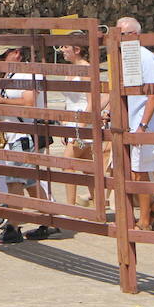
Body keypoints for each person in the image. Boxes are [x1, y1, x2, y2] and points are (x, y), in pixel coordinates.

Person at [114, 16, 154, 230]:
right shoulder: (125, 58)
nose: (118, 38)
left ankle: (145, 220)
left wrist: (143, 125)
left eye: (121, 34)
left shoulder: (145, 57)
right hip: (132, 121)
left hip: (144, 123)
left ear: (134, 35)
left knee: (139, 172)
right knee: (131, 171)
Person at [0, 45, 48, 244]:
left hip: (25, 135)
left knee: (15, 181)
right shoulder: (9, 74)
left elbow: (30, 102)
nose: (0, 60)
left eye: (3, 55)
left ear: (16, 53)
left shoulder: (28, 72)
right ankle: (50, 220)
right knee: (30, 183)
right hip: (13, 135)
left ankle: (13, 227)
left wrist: (1, 101)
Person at [58, 40, 99, 208]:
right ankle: (98, 206)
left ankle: (71, 206)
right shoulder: (71, 68)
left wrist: (79, 130)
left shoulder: (86, 68)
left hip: (82, 123)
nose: (62, 49)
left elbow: (91, 103)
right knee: (88, 167)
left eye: (65, 46)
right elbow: (68, 100)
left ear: (77, 49)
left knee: (68, 163)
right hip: (71, 122)